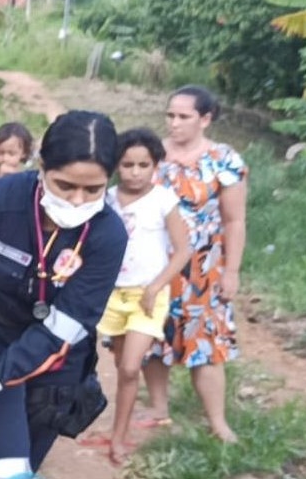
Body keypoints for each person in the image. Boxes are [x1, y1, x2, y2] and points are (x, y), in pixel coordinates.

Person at [0, 110, 128, 478]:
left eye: (93, 190)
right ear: (42, 167)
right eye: (65, 186)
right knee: (7, 469)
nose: (78, 201)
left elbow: (61, 331)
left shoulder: (108, 236)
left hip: (55, 356)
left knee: (18, 464)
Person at [139, 85, 247, 443]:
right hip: (154, 264)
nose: (174, 123)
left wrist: (231, 271)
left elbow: (234, 220)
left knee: (207, 346)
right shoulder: (152, 156)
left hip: (203, 269)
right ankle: (158, 408)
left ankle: (218, 423)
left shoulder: (223, 160)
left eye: (183, 116)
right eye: (170, 115)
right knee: (152, 338)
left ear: (205, 119)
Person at [96, 128, 192, 465]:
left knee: (130, 367)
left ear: (155, 166)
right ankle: (117, 430)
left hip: (148, 296)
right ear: (116, 166)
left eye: (143, 165)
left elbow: (183, 250)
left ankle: (119, 438)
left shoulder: (164, 200)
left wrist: (155, 287)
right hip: (112, 295)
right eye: (127, 165)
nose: (135, 172)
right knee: (120, 365)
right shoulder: (106, 199)